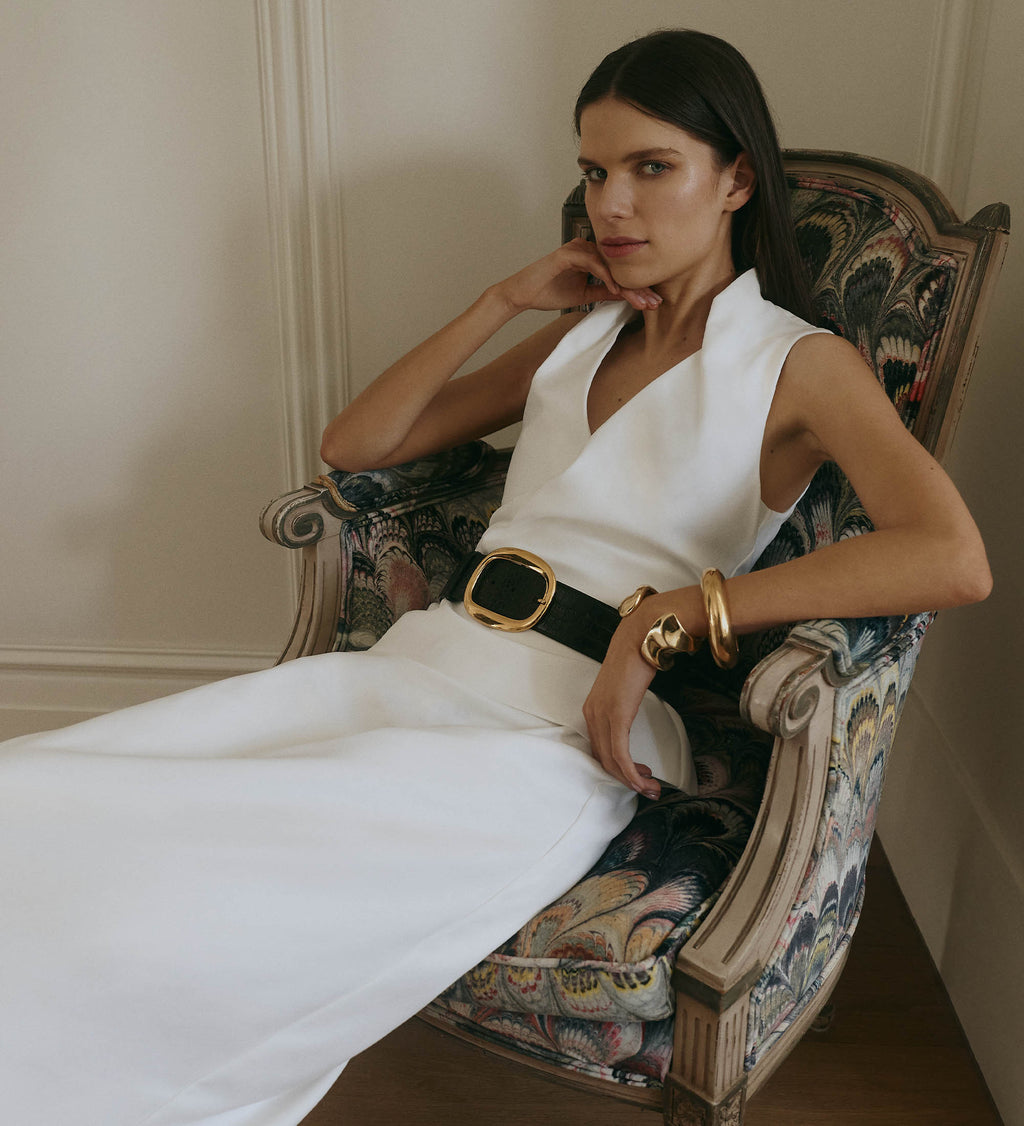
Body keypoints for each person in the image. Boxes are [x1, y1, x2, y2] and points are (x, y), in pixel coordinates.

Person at [0, 28, 990, 1126]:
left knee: (173, 894)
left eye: (650, 167)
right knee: (51, 798)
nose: (611, 204)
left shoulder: (796, 362)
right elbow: (358, 443)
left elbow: (947, 553)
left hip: (554, 733)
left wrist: (673, 617)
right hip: (418, 666)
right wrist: (504, 301)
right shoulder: (580, 338)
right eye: (593, 171)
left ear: (735, 180)